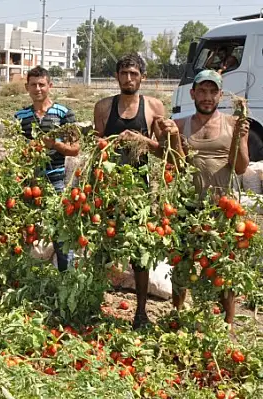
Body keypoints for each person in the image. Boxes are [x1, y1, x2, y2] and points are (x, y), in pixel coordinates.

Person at [93, 53, 169, 329]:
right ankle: (93, 300)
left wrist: (142, 140)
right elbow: (97, 149)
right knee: (102, 248)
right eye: (124, 73)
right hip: (109, 189)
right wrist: (109, 144)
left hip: (139, 191)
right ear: (116, 76)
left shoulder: (153, 107)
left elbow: (165, 152)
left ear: (142, 77)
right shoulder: (103, 107)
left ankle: (140, 312)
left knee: (139, 253)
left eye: (134, 74)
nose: (128, 79)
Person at [169, 69, 250, 324]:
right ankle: (178, 315)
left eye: (213, 91)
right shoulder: (181, 125)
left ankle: (228, 323)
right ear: (192, 93)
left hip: (222, 208)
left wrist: (238, 138)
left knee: (223, 267)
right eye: (202, 91)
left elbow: (240, 168)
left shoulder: (234, 124)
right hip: (188, 205)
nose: (207, 96)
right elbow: (177, 165)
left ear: (221, 95)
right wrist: (170, 136)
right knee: (181, 264)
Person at [15, 66, 79, 272]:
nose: (38, 89)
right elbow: (15, 151)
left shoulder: (63, 114)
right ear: (27, 87)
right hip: (29, 183)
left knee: (61, 231)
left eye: (42, 84)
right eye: (33, 85)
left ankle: (65, 276)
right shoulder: (20, 116)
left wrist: (56, 145)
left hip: (56, 181)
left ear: (50, 86)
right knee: (24, 229)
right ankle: (24, 275)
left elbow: (75, 149)